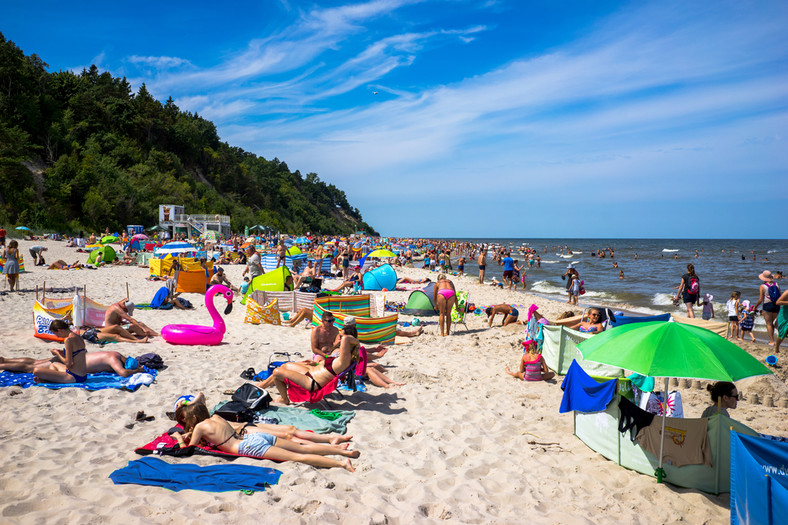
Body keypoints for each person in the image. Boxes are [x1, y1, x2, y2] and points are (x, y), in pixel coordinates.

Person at [173, 402, 356, 471]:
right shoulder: (216, 417)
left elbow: (188, 450)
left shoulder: (200, 427)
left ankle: (342, 463)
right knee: (300, 447)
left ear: (194, 417)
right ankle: (339, 451)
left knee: (298, 457)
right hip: (254, 437)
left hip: (247, 447)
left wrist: (180, 438)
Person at [264, 317, 361, 405]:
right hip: (312, 373)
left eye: (341, 336)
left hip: (312, 382)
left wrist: (356, 342)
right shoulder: (343, 356)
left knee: (276, 372)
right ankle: (262, 386)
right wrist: (315, 363)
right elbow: (330, 366)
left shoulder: (344, 359)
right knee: (287, 365)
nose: (339, 337)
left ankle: (284, 399)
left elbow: (346, 339)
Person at [1, 350, 144, 377]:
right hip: (70, 364)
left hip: (71, 358)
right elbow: (123, 373)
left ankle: (5, 360)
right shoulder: (114, 360)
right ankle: (2, 365)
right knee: (30, 367)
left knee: (35, 361)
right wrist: (138, 371)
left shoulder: (116, 354)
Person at [754, 271, 781, 346]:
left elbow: (760, 299)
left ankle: (772, 341)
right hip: (776, 305)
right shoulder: (776, 284)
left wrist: (755, 307)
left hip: (767, 305)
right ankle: (778, 338)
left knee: (769, 324)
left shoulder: (763, 286)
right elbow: (780, 295)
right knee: (773, 323)